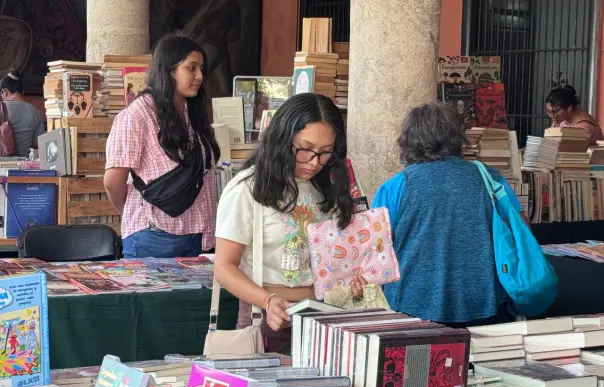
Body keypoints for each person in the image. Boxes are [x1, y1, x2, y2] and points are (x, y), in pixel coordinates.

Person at [213, 93, 364, 353]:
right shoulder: (248, 188)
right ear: (283, 140)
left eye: (326, 152)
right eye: (305, 149)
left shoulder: (328, 185)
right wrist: (267, 300)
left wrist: (352, 282)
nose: (315, 162)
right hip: (268, 316)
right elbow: (224, 267)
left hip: (324, 316)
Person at [373, 103, 529, 328]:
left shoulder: (395, 188)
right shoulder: (491, 180)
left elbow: (378, 255)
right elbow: (521, 233)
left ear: (408, 140)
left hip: (410, 306)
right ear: (458, 137)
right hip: (485, 303)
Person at [104, 34, 220, 258]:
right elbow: (113, 181)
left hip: (198, 237)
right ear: (168, 70)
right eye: (191, 68)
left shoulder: (192, 114)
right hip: (153, 235)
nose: (199, 76)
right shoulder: (137, 115)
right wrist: (132, 212)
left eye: (201, 69)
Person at [0, 70, 45, 157]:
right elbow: (37, 143)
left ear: (5, 92)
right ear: (22, 91)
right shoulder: (35, 111)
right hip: (24, 164)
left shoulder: (1, 107)